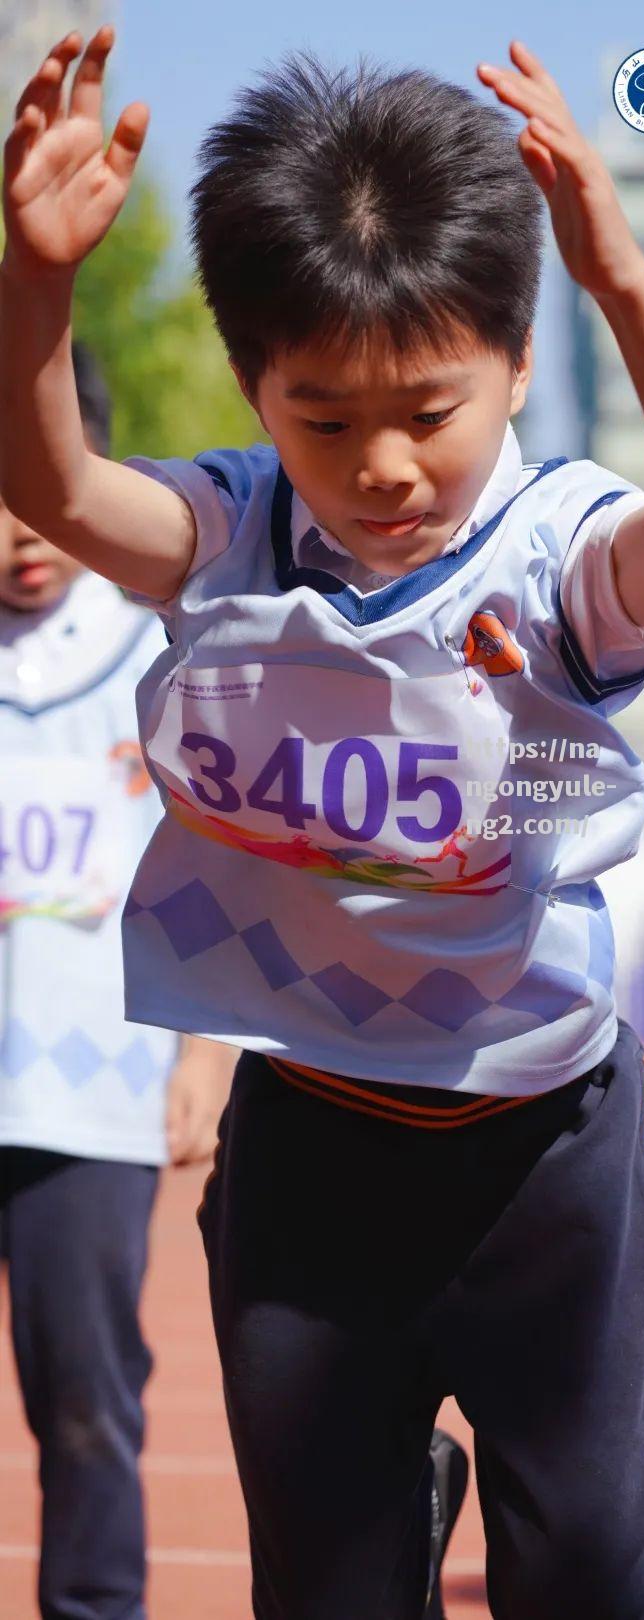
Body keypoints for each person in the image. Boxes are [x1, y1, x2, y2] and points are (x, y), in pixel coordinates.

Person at [0, 25, 644, 1620]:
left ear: (508, 358)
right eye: (326, 417)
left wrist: (620, 271)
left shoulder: (554, 549)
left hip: (541, 1153)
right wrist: (35, 285)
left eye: (429, 407)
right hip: (314, 1151)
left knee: (600, 1585)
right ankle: (403, 1471)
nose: (386, 468)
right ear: (255, 388)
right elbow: (65, 494)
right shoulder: (233, 528)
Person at [0, 339, 235, 1620]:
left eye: (36, 485)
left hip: (83, 1106)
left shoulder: (158, 653)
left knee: (84, 1397)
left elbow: (227, 858)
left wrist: (207, 1051)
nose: (20, 529)